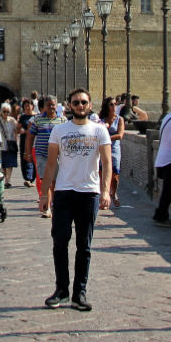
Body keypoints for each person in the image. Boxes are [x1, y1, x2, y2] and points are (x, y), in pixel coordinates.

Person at [39, 87, 112, 310]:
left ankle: (79, 293)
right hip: (63, 192)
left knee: (84, 246)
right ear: (69, 106)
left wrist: (106, 191)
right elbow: (51, 164)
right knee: (60, 242)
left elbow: (107, 163)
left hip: (89, 193)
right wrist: (44, 195)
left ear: (90, 105)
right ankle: (61, 290)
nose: (80, 105)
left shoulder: (100, 131)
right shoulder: (59, 131)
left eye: (84, 102)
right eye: (76, 102)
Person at [30, 96, 64, 217]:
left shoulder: (62, 120)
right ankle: (48, 208)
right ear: (45, 106)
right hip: (42, 154)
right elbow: (31, 136)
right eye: (48, 105)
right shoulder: (37, 119)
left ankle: (55, 205)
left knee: (55, 183)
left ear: (56, 106)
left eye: (53, 105)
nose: (51, 107)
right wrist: (27, 152)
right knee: (46, 181)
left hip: (57, 156)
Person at [99, 96, 125, 208]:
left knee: (115, 175)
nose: (114, 106)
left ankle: (113, 193)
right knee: (102, 172)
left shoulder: (120, 119)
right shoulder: (101, 119)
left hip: (114, 149)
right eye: (111, 104)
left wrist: (106, 137)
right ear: (107, 106)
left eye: (115, 104)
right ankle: (104, 197)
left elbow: (120, 135)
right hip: (102, 149)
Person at [0, 103, 19, 187]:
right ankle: (5, 177)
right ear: (1, 111)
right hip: (1, 146)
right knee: (3, 165)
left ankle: (7, 181)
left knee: (9, 164)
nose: (6, 113)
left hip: (10, 145)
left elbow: (18, 129)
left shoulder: (12, 120)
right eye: (4, 111)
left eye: (8, 112)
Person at [17, 98, 37, 186]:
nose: (27, 108)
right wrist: (20, 130)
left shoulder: (37, 116)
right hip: (24, 140)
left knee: (33, 158)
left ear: (32, 106)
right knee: (24, 158)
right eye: (25, 106)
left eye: (29, 106)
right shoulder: (22, 117)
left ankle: (32, 177)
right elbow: (18, 128)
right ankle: (27, 178)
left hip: (34, 140)